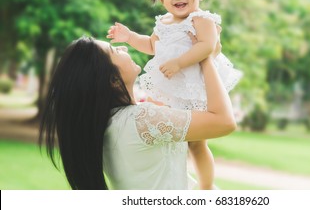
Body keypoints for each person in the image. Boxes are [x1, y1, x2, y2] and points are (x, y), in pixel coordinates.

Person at [106, 0, 242, 189]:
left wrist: (180, 62)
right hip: (171, 87)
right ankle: (169, 176)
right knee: (168, 132)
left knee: (197, 144)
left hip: (194, 86)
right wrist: (129, 37)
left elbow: (208, 46)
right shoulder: (163, 23)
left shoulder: (201, 19)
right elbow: (151, 45)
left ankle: (206, 186)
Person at [39, 37, 236, 190]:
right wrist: (205, 58)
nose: (124, 48)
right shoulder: (143, 120)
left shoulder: (111, 124)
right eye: (115, 50)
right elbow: (225, 122)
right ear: (113, 80)